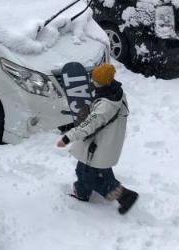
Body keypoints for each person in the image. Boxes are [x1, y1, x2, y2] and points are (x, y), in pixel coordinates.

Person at [57, 62, 138, 214]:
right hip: (103, 143)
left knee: (89, 176)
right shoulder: (115, 91)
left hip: (97, 146)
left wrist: (67, 138)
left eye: (96, 81)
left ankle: (124, 196)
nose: (93, 83)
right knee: (88, 170)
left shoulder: (105, 106)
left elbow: (89, 125)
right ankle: (82, 193)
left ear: (103, 83)